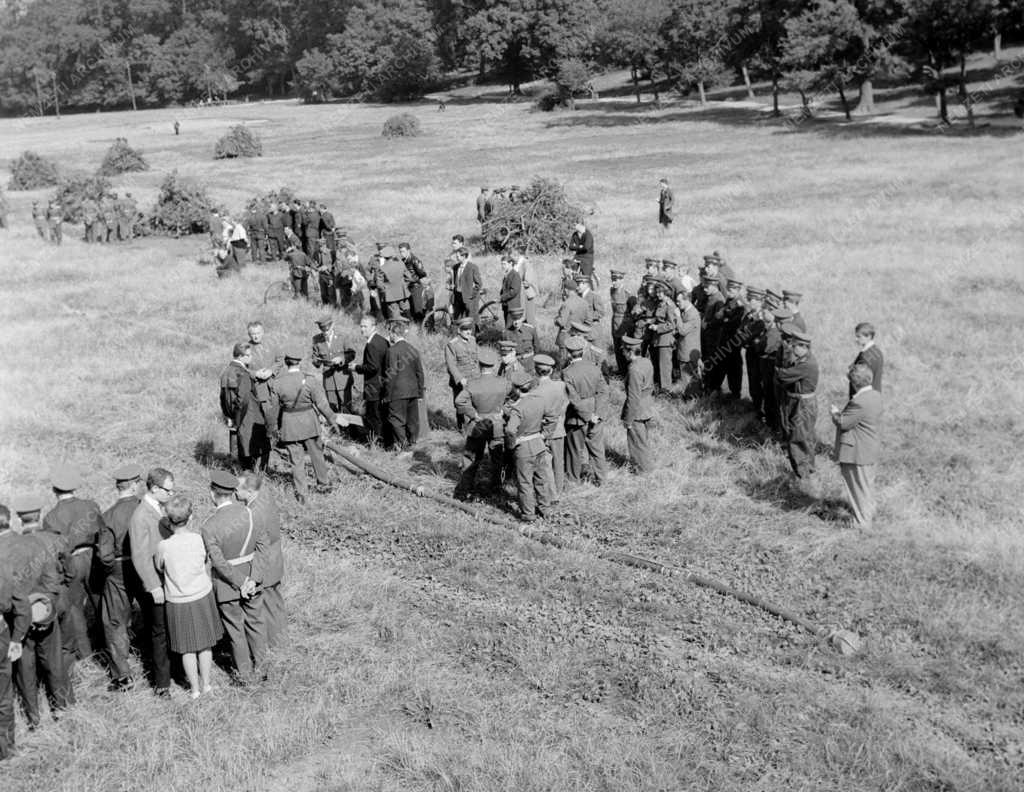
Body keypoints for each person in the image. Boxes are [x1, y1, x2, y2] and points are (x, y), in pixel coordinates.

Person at [6, 496, 70, 732]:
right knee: (54, 662)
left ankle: (33, 718)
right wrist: (45, 607)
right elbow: (53, 583)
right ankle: (60, 709)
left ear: (18, 519)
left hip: (18, 618)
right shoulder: (41, 545)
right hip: (44, 613)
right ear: (39, 514)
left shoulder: (9, 549)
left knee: (25, 669)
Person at [200, 473, 267, 685]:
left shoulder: (208, 526)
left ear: (213, 493)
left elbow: (218, 563)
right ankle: (262, 667)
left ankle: (245, 675)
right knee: (256, 623)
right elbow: (263, 547)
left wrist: (239, 582)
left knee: (235, 630)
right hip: (252, 578)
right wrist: (252, 579)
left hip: (228, 586)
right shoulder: (249, 512)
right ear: (232, 492)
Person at [155, 495, 223, 699]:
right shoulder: (197, 539)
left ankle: (194, 689)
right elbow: (205, 560)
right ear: (191, 517)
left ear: (168, 521)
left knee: (186, 648)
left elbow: (159, 566)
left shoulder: (164, 546)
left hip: (178, 602)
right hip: (202, 595)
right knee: (205, 644)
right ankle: (207, 684)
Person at [42, 465, 103, 670]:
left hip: (71, 562)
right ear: (75, 487)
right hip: (94, 557)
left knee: (75, 609)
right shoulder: (91, 505)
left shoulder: (51, 517)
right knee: (102, 602)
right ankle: (110, 646)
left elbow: (55, 550)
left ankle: (86, 656)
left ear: (54, 490)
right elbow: (102, 532)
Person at [267, 348, 345, 503]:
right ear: (300, 362)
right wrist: (333, 420)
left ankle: (301, 494)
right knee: (317, 454)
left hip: (289, 425)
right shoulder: (310, 380)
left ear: (285, 362)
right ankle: (323, 484)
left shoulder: (277, 384)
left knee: (296, 461)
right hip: (310, 422)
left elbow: (272, 411)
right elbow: (322, 405)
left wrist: (271, 429)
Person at [98, 464, 143, 690]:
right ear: (135, 485)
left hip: (118, 570)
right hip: (146, 568)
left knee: (114, 621)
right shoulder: (147, 508)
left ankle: (123, 676)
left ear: (118, 487)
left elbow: (104, 555)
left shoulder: (108, 516)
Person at [129, 468, 174, 696]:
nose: (171, 493)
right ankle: (162, 684)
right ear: (154, 488)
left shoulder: (159, 508)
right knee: (159, 634)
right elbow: (140, 556)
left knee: (166, 629)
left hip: (167, 580)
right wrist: (153, 586)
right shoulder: (140, 516)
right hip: (155, 584)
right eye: (168, 489)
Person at [453, 348, 511, 499]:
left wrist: (473, 414)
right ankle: (496, 487)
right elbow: (513, 400)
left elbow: (459, 401)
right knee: (497, 459)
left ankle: (464, 489)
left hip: (477, 426)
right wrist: (502, 410)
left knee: (471, 458)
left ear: (479, 365)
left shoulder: (473, 384)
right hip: (497, 425)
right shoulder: (503, 383)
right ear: (493, 365)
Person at [236, 474, 285, 648]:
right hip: (275, 561)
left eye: (238, 488)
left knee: (268, 608)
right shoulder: (265, 497)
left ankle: (275, 644)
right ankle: (279, 639)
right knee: (275, 604)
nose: (234, 490)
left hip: (265, 566)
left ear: (249, 492)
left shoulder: (253, 513)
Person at [831, 363, 883, 528]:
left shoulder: (859, 401)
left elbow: (844, 422)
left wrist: (835, 413)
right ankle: (868, 515)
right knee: (866, 487)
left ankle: (862, 523)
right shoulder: (876, 395)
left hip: (857, 452)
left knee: (858, 489)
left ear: (853, 382)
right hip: (869, 448)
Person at [504, 370, 556, 523]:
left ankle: (528, 514)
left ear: (516, 388)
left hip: (524, 449)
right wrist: (544, 434)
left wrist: (511, 445)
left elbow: (509, 430)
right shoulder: (539, 400)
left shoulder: (518, 408)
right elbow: (553, 417)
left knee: (525, 482)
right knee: (541, 479)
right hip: (539, 445)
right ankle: (545, 509)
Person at [562, 337, 609, 486]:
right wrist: (597, 414)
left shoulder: (567, 373)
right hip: (596, 414)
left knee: (574, 451)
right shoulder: (594, 367)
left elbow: (573, 399)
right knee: (597, 450)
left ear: (569, 354)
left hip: (577, 418)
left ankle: (573, 481)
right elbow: (603, 392)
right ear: (583, 351)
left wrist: (587, 416)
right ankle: (602, 480)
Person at [0, 528, 29, 761]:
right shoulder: (5, 565)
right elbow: (22, 607)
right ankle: (6, 749)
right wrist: (17, 638)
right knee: (3, 696)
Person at [775, 327, 818, 479]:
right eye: (793, 345)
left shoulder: (806, 364)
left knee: (799, 438)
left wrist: (778, 369)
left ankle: (804, 476)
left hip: (803, 405)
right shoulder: (802, 359)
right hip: (798, 401)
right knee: (801, 436)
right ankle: (806, 470)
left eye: (796, 346)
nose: (793, 349)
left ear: (805, 347)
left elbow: (782, 376)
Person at [382, 319, 425, 451]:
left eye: (390, 332)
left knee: (397, 420)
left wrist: (387, 395)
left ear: (394, 334)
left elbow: (390, 375)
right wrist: (420, 393)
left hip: (397, 392)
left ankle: (403, 447)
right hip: (413, 392)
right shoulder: (413, 349)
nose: (389, 335)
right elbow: (420, 373)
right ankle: (413, 443)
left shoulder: (392, 351)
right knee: (412, 420)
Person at [532, 355, 568, 498]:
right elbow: (566, 403)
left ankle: (550, 494)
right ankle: (559, 490)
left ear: (535, 370)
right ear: (551, 370)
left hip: (542, 430)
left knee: (545, 463)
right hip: (558, 428)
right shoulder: (560, 385)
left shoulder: (534, 390)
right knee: (559, 461)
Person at [621, 336, 655, 474]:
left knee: (637, 444)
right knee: (643, 441)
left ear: (630, 352)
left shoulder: (633, 370)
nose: (622, 353)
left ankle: (643, 472)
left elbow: (633, 397)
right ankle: (646, 468)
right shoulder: (646, 362)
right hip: (647, 406)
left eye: (624, 350)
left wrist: (628, 420)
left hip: (637, 411)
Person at [355, 316, 389, 444]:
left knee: (374, 417)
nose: (362, 329)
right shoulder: (382, 340)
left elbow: (372, 367)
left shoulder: (372, 344)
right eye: (361, 326)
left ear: (373, 327)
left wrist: (357, 368)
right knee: (380, 415)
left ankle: (378, 443)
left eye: (365, 326)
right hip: (382, 385)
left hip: (373, 387)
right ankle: (383, 441)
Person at [311, 317, 353, 414]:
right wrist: (316, 361)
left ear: (332, 326)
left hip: (343, 379)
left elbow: (351, 353)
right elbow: (315, 357)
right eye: (322, 329)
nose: (325, 332)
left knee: (347, 409)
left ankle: (349, 429)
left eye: (327, 329)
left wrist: (341, 359)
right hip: (329, 380)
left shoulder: (343, 337)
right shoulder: (316, 339)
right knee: (333, 410)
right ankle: (336, 429)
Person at [444, 317, 480, 429]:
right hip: (461, 381)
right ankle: (462, 428)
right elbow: (451, 365)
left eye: (470, 329)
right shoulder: (452, 344)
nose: (468, 332)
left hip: (474, 378)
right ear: (459, 330)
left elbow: (476, 359)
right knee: (460, 405)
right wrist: (460, 379)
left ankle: (474, 426)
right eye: (465, 330)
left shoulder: (473, 340)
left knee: (475, 403)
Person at [220, 343, 251, 463]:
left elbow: (222, 397)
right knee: (244, 449)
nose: (251, 357)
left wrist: (228, 415)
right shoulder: (242, 373)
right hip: (242, 415)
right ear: (240, 356)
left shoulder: (226, 371)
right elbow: (243, 399)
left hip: (230, 413)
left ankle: (233, 468)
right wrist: (238, 420)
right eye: (248, 355)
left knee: (234, 448)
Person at [741, 287, 767, 412]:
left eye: (751, 300)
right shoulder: (749, 315)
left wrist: (745, 338)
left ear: (759, 301)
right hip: (750, 352)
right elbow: (741, 330)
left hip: (758, 354)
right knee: (752, 379)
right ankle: (755, 406)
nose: (748, 302)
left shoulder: (763, 317)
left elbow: (753, 335)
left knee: (758, 381)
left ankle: (761, 410)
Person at [609, 269, 636, 376]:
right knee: (617, 349)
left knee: (626, 349)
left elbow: (633, 311)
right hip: (615, 325)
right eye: (612, 280)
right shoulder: (612, 291)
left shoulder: (627, 294)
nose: (613, 282)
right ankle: (621, 371)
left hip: (624, 326)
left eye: (615, 280)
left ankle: (628, 373)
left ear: (621, 280)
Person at [674, 289, 701, 395]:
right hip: (684, 350)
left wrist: (677, 316)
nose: (677, 303)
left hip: (689, 353)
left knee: (690, 380)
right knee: (685, 378)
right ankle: (688, 397)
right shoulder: (686, 312)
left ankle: (691, 399)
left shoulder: (692, 314)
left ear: (687, 300)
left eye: (679, 301)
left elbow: (683, 330)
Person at [850, 322, 884, 395]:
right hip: (876, 395)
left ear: (868, 336)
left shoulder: (865, 357)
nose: (856, 339)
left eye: (859, 336)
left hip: (863, 397)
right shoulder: (878, 352)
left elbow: (859, 380)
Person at [398, 243, 428, 324]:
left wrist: (412, 280)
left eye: (403, 251)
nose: (401, 254)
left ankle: (421, 327)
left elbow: (422, 274)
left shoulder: (415, 260)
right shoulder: (403, 261)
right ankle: (415, 326)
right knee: (411, 309)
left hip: (416, 287)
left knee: (418, 309)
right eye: (400, 252)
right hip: (408, 288)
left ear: (408, 250)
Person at [452, 248, 482, 328]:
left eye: (458, 256)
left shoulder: (472, 267)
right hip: (458, 296)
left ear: (464, 256)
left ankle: (472, 337)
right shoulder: (455, 267)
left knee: (470, 319)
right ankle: (459, 337)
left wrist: (471, 295)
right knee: (458, 318)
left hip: (469, 298)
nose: (456, 258)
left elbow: (478, 284)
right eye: (456, 256)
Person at [503, 308, 537, 373]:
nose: (516, 323)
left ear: (522, 319)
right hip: (515, 363)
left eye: (518, 320)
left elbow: (537, 346)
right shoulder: (506, 333)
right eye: (514, 320)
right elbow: (505, 352)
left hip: (530, 363)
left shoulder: (530, 330)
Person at [498, 256, 523, 328]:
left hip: (513, 308)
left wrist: (502, 297)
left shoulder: (515, 275)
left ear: (510, 263)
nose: (502, 266)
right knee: (508, 327)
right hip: (506, 306)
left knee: (510, 328)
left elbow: (514, 291)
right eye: (501, 264)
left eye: (504, 264)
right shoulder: (507, 274)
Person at [514, 253, 538, 325]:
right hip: (521, 293)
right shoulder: (519, 263)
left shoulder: (525, 263)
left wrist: (520, 284)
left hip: (527, 294)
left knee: (529, 317)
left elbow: (528, 281)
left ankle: (531, 334)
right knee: (522, 315)